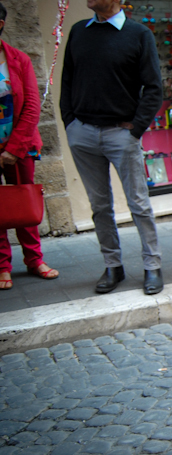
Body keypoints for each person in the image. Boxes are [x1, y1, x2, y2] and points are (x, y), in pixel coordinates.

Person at [61, 0, 163, 295]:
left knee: (138, 203)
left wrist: (136, 129)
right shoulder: (79, 31)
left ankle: (152, 265)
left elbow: (154, 87)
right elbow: (67, 80)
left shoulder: (138, 34)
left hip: (121, 133)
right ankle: (112, 265)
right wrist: (70, 123)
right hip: (83, 133)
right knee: (99, 206)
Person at [0, 2, 59, 290]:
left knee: (25, 203)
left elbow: (33, 105)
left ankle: (34, 260)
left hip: (19, 146)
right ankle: (2, 266)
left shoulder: (18, 59)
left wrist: (14, 148)